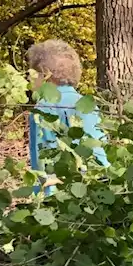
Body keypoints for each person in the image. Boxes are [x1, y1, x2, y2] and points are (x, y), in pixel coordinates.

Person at [25, 40, 110, 178]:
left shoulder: (43, 108)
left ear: (45, 74)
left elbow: (43, 159)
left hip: (64, 187)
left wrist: (44, 195)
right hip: (100, 179)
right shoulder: (88, 104)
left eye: (33, 73)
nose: (29, 78)